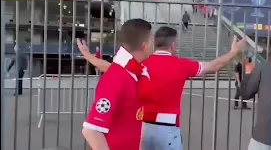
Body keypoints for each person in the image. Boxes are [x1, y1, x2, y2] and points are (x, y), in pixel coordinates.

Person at [78, 27, 247, 150]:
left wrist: (87, 55)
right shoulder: (181, 65)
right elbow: (213, 66)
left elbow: (109, 67)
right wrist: (233, 52)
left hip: (141, 127)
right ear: (172, 46)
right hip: (167, 129)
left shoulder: (139, 64)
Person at [81, 19, 153, 150]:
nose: (152, 44)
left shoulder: (132, 72)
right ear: (144, 45)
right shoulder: (116, 77)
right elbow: (91, 130)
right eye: (150, 40)